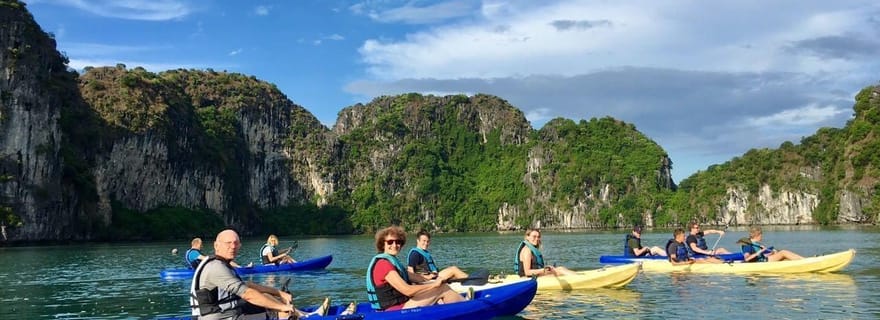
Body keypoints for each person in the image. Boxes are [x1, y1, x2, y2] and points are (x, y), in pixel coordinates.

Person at [190, 229, 329, 319]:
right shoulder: (216, 267)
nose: (233, 246)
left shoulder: (223, 264)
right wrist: (281, 306)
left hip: (228, 313)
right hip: (217, 317)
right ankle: (304, 316)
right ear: (216, 245)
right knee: (275, 311)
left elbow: (247, 285)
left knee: (268, 299)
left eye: (236, 243)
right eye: (228, 243)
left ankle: (305, 315)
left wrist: (278, 293)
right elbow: (247, 294)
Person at [366, 226, 466, 311]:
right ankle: (467, 307)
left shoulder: (391, 262)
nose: (395, 245)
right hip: (394, 311)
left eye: (398, 242)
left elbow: (415, 277)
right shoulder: (383, 264)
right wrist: (434, 285)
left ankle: (458, 305)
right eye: (390, 242)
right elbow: (407, 290)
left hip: (399, 305)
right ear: (382, 244)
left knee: (440, 287)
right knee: (442, 289)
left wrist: (434, 279)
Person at [739, 226, 804, 262]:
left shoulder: (754, 243)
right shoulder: (747, 245)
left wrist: (771, 253)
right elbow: (747, 258)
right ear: (757, 235)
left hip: (763, 260)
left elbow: (759, 257)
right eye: (761, 235)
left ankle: (803, 260)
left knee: (777, 252)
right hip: (761, 263)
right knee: (783, 252)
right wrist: (760, 251)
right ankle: (804, 261)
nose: (762, 237)